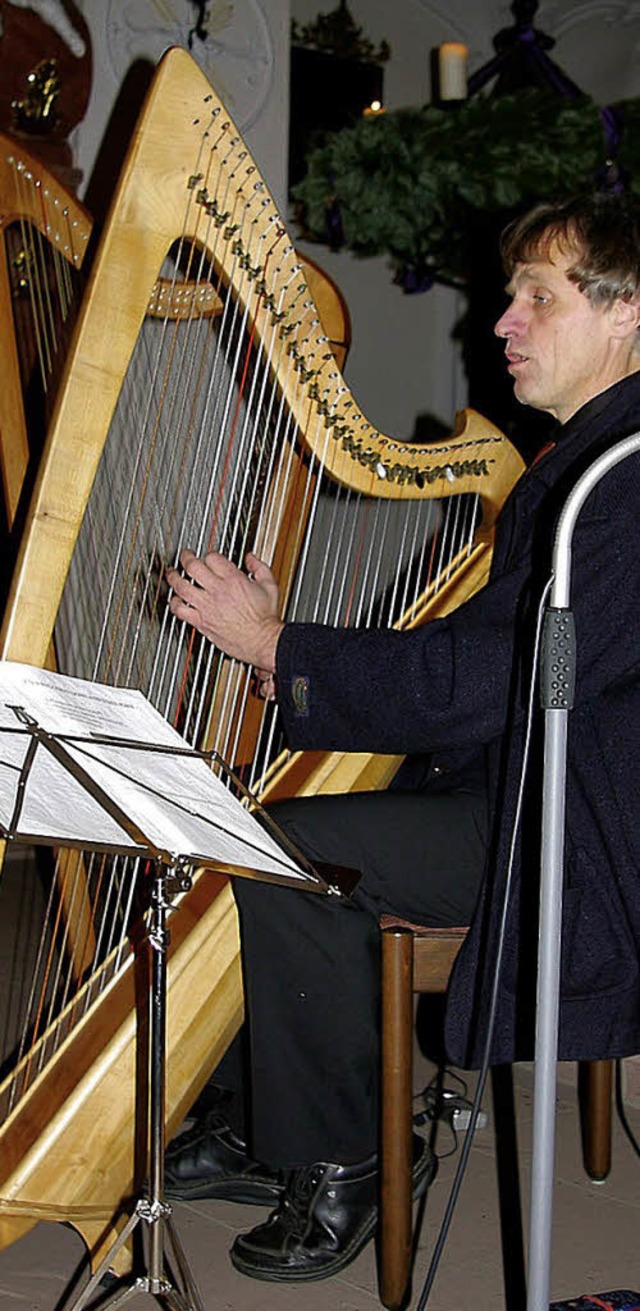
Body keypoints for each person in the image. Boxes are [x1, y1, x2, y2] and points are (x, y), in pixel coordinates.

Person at [164, 193, 640, 1283]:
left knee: (295, 853)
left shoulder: (621, 482)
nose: (501, 323)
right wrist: (294, 643)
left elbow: (495, 681)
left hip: (584, 824)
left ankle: (355, 1159)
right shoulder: (578, 463)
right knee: (265, 828)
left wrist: (280, 645)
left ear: (625, 313)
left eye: (536, 296)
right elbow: (492, 669)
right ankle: (257, 1127)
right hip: (520, 779)